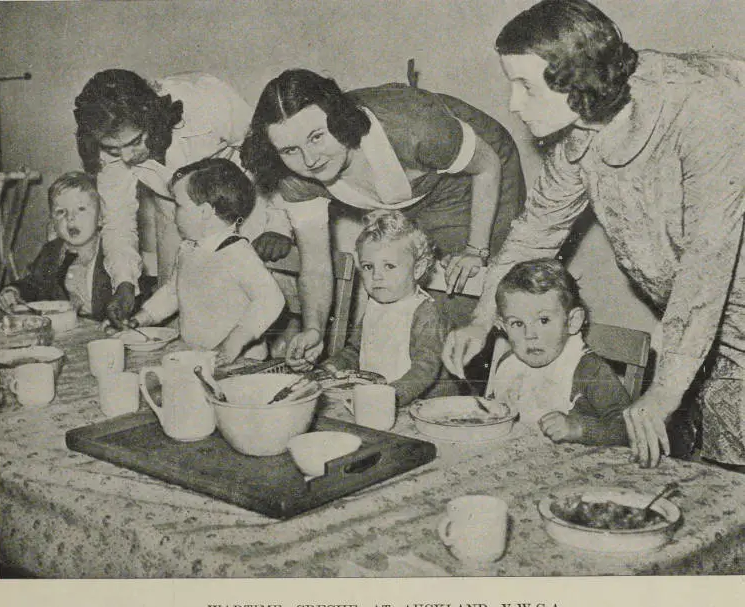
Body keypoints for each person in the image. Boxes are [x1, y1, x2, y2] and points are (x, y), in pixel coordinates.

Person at [443, 0, 745, 469]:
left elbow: (705, 266)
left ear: (575, 79)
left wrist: (664, 389)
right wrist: (484, 317)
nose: (512, 104)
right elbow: (532, 234)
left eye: (525, 85)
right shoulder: (583, 134)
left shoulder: (705, 108)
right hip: (719, 336)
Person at [243, 69, 526, 370]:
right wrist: (314, 329)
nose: (310, 160)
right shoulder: (296, 176)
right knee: (403, 287)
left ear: (338, 118)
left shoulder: (414, 127)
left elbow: (487, 166)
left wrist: (476, 251)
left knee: (460, 297)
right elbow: (315, 264)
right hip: (416, 187)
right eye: (290, 150)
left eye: (316, 137)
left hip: (477, 176)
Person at [74, 69, 292, 328]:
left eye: (134, 142)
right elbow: (118, 221)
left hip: (246, 198)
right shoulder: (113, 151)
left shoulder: (207, 100)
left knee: (240, 309)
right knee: (175, 312)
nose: (126, 158)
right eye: (112, 148)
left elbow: (269, 152)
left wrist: (278, 224)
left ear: (151, 118)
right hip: (176, 209)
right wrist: (124, 282)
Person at [130, 159, 284, 364]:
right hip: (199, 357)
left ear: (204, 211)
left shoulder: (236, 253)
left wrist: (235, 342)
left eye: (178, 204)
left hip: (239, 362)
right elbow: (173, 292)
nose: (173, 211)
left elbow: (271, 299)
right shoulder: (189, 249)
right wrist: (143, 317)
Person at [321, 210, 457, 406]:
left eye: (389, 266)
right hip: (378, 400)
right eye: (368, 267)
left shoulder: (425, 312)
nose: (377, 276)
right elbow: (355, 350)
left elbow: (425, 369)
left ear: (417, 269)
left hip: (422, 405)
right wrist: (335, 364)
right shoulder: (375, 305)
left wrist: (392, 396)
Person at [488, 259, 629, 445]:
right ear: (503, 326)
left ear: (573, 321)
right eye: (517, 323)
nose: (529, 335)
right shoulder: (508, 363)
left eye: (544, 320)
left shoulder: (590, 370)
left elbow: (627, 428)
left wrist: (579, 429)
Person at [0, 172, 148, 320]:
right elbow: (35, 284)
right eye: (61, 212)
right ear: (53, 223)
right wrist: (14, 291)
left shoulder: (113, 254)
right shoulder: (52, 251)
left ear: (101, 218)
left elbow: (132, 298)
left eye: (81, 209)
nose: (70, 218)